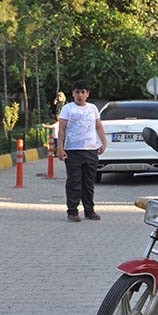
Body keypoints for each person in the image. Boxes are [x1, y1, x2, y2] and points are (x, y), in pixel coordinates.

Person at [56, 80, 108, 222]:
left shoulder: (92, 108)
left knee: (89, 182)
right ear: (73, 94)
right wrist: (60, 148)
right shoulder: (68, 108)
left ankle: (89, 210)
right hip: (73, 150)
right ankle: (72, 211)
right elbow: (61, 129)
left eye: (83, 92)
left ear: (87, 94)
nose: (80, 95)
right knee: (74, 182)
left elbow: (98, 126)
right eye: (77, 92)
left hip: (91, 150)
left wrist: (104, 142)